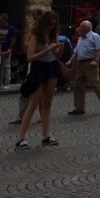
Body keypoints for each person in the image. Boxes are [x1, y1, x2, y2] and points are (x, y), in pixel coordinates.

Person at [15, 11, 63, 149]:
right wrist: (47, 50)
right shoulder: (35, 35)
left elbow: (56, 55)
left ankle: (46, 135)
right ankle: (21, 138)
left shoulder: (53, 35)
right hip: (39, 68)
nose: (52, 27)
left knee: (47, 103)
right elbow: (30, 57)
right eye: (50, 24)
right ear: (44, 23)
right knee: (33, 103)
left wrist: (59, 50)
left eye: (54, 24)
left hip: (52, 67)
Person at [67, 20, 100, 115]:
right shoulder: (81, 38)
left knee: (95, 85)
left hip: (90, 63)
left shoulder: (95, 36)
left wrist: (96, 60)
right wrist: (70, 60)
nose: (79, 28)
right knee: (78, 86)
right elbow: (76, 51)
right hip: (80, 64)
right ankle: (79, 108)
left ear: (87, 28)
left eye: (81, 26)